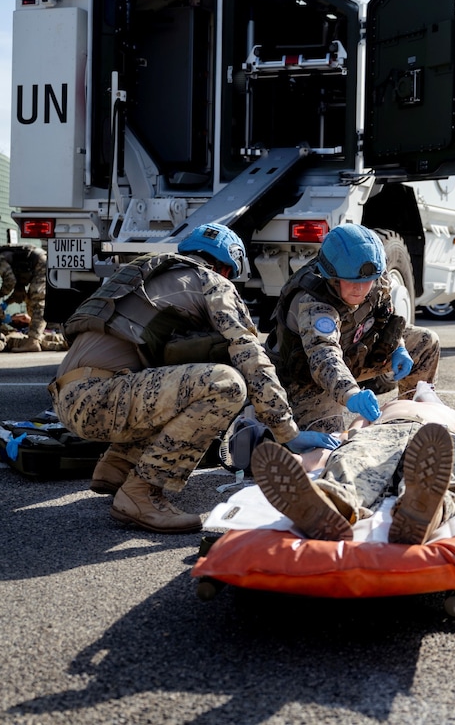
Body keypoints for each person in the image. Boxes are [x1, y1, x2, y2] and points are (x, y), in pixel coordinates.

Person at [49, 222, 339, 535]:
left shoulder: (149, 274)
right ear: (227, 268)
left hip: (71, 395)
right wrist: (286, 430)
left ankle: (118, 465)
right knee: (226, 385)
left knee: (180, 380)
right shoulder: (212, 281)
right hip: (102, 398)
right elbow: (252, 357)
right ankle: (142, 492)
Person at [251, 397, 455, 543]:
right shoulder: (390, 405)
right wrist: (317, 455)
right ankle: (328, 506)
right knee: (353, 460)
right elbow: (352, 432)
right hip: (389, 431)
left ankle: (425, 508)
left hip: (439, 439)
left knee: (449, 470)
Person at [265, 223, 440, 433]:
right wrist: (351, 394)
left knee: (426, 343)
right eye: (350, 282)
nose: (359, 288)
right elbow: (325, 359)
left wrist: (398, 346)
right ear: (333, 277)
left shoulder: (375, 275)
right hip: (308, 377)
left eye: (367, 282)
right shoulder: (314, 303)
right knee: (329, 441)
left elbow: (384, 313)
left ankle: (410, 423)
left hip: (351, 353)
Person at [0, 244, 47, 352]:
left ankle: (33, 342)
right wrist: (7, 303)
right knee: (31, 303)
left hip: (39, 264)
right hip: (37, 263)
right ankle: (35, 336)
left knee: (37, 301)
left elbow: (10, 281)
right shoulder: (14, 264)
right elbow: (19, 295)